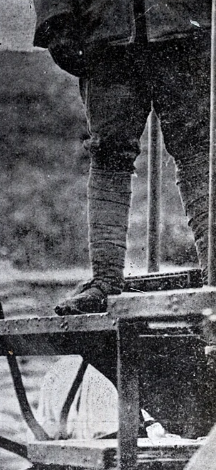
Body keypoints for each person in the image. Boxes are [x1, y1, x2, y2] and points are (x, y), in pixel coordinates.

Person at [32, 0, 211, 314]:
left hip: (183, 29)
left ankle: (215, 271)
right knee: (109, 155)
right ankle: (105, 281)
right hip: (106, 35)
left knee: (198, 151)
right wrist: (56, 23)